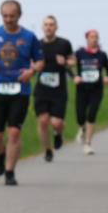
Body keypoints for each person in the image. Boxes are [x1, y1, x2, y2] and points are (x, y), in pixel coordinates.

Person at [0, 0, 44, 186]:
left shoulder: (29, 37)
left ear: (19, 16)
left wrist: (32, 71)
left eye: (12, 16)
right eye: (5, 16)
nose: (8, 19)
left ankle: (10, 172)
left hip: (20, 90)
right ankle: (0, 153)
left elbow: (39, 61)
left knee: (14, 132)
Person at [33, 15, 75, 162]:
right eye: (46, 25)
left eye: (51, 25)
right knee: (43, 121)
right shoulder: (37, 45)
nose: (48, 27)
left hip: (59, 90)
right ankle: (47, 150)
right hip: (42, 89)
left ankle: (58, 134)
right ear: (42, 27)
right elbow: (31, 63)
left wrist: (66, 62)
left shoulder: (64, 44)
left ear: (56, 27)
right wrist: (34, 66)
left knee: (56, 122)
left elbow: (73, 61)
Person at [73, 29, 108, 155]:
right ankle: (82, 129)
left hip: (96, 89)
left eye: (96, 37)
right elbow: (69, 66)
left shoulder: (102, 55)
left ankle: (88, 144)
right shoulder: (80, 53)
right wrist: (75, 76)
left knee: (91, 115)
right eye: (91, 37)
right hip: (82, 89)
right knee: (80, 116)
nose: (94, 39)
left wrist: (107, 77)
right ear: (87, 39)